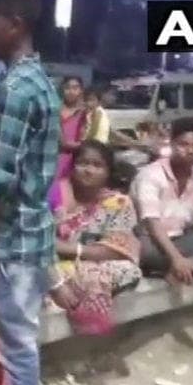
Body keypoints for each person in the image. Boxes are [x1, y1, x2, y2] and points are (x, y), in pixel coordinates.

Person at [0, 0, 68, 384]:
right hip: (34, 234)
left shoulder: (16, 88)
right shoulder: (40, 81)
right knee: (20, 343)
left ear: (15, 25)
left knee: (16, 351)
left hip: (16, 239)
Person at [48, 141, 142, 336]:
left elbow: (115, 249)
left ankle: (90, 313)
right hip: (54, 264)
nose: (89, 170)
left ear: (108, 172)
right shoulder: (56, 194)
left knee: (124, 270)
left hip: (98, 263)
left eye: (97, 165)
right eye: (83, 163)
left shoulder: (117, 202)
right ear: (73, 167)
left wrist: (66, 248)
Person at [130, 118, 193, 285]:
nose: (190, 151)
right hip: (148, 239)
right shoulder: (150, 175)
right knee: (147, 251)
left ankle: (180, 271)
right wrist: (176, 259)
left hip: (181, 238)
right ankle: (184, 268)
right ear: (172, 144)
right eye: (183, 144)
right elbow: (152, 223)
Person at [57, 76, 88, 179]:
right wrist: (86, 145)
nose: (71, 92)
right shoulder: (55, 110)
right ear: (62, 90)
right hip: (55, 158)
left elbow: (85, 136)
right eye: (67, 88)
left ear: (81, 91)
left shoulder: (85, 112)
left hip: (76, 160)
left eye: (75, 88)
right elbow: (62, 143)